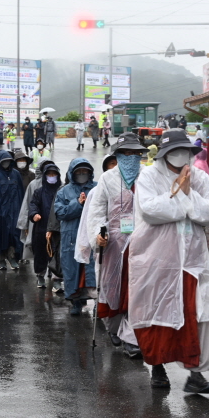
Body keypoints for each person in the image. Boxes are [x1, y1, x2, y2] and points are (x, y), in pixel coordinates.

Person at [129, 128, 209, 393]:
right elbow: (150, 211)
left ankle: (196, 373)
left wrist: (187, 192)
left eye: (186, 151)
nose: (182, 156)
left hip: (191, 261)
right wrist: (183, 197)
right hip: (155, 259)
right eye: (175, 151)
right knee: (155, 313)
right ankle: (157, 368)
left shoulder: (200, 177)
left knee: (195, 315)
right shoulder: (148, 176)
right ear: (165, 153)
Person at [86, 133, 148, 358]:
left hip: (142, 242)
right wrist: (97, 234)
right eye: (127, 153)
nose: (132, 157)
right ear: (118, 155)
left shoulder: (147, 176)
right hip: (113, 243)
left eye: (136, 154)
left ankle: (132, 338)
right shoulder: (107, 179)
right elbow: (96, 211)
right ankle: (115, 328)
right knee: (113, 288)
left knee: (137, 291)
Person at [54, 158, 98, 315]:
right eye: (78, 172)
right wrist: (77, 203)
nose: (81, 174)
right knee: (73, 270)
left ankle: (99, 303)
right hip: (71, 238)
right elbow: (60, 212)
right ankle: (76, 302)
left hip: (92, 235)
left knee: (93, 270)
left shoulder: (97, 188)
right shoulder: (63, 191)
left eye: (84, 171)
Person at [29, 163, 62, 288]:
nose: (52, 177)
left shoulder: (61, 191)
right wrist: (34, 214)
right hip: (41, 227)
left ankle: (57, 279)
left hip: (57, 229)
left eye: (54, 174)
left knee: (57, 253)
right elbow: (33, 205)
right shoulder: (39, 192)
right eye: (49, 174)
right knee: (41, 253)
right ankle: (40, 275)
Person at [18, 157, 54, 265]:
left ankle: (52, 271)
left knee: (53, 246)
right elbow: (27, 205)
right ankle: (40, 273)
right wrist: (25, 225)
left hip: (52, 222)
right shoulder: (33, 185)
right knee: (39, 248)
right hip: (37, 221)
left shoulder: (57, 184)